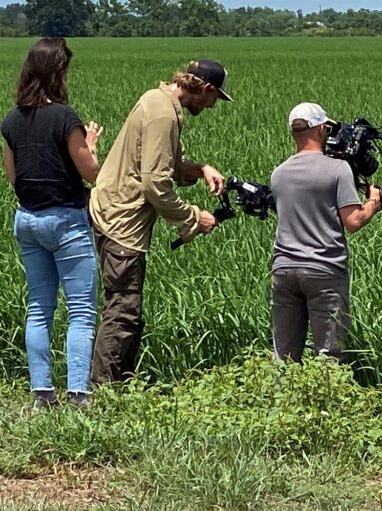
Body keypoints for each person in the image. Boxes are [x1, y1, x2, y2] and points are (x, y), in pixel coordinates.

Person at [88, 59, 231, 385]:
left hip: (114, 213)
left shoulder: (158, 100)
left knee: (129, 311)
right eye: (214, 98)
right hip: (122, 223)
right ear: (205, 89)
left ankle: (118, 385)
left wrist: (200, 169)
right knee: (123, 312)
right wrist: (192, 218)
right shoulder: (163, 114)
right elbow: (155, 184)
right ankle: (101, 396)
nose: (211, 106)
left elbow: (167, 163)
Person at [1, 37, 102, 409]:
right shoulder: (65, 117)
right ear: (58, 72)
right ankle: (78, 393)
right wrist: (90, 145)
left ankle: (42, 394)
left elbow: (12, 176)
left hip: (26, 220)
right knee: (81, 310)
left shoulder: (11, 120)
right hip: (65, 221)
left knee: (39, 308)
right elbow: (91, 173)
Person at [270, 102, 382, 363]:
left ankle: (278, 400)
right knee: (328, 355)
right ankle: (327, 401)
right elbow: (354, 221)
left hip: (284, 270)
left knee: (284, 356)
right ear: (322, 129)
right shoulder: (337, 169)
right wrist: (375, 202)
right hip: (323, 270)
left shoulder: (278, 173)